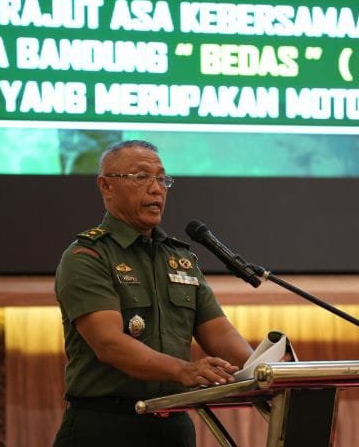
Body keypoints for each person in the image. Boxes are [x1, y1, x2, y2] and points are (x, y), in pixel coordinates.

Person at [53, 139, 254, 447]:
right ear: (106, 186)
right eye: (141, 176)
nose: (156, 189)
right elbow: (109, 343)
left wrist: (264, 369)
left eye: (162, 179)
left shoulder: (180, 258)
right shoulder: (88, 256)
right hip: (106, 426)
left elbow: (220, 333)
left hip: (174, 425)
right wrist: (184, 369)